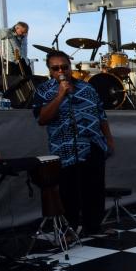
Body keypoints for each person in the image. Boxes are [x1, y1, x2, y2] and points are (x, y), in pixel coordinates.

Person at [33, 50, 114, 237]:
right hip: (65, 147)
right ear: (50, 71)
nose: (61, 70)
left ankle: (93, 226)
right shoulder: (44, 91)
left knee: (94, 188)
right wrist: (60, 95)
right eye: (56, 68)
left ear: (70, 66)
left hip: (93, 143)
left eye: (64, 66)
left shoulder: (88, 88)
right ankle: (69, 230)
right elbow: (42, 119)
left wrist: (108, 139)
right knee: (68, 191)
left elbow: (101, 115)